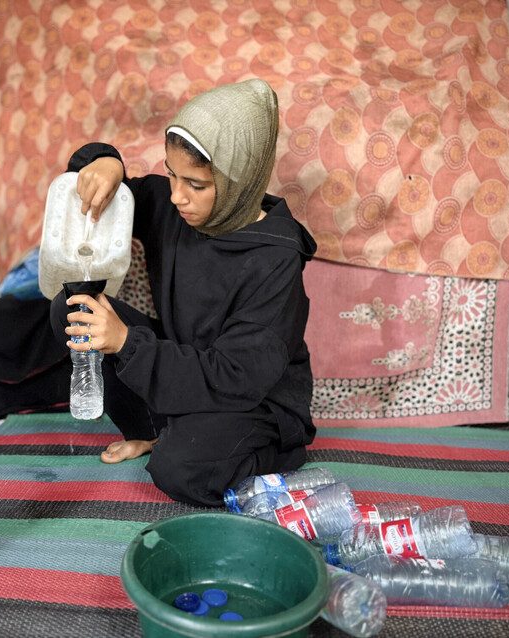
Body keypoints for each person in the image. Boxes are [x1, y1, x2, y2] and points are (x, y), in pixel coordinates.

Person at [49, 79, 317, 507]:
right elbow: (113, 190)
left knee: (180, 471)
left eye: (196, 185)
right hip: (185, 368)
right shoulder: (173, 204)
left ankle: (246, 446)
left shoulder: (275, 260)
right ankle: (152, 429)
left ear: (239, 182)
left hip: (252, 399)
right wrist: (107, 163)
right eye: (171, 174)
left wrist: (125, 342)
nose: (176, 196)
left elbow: (238, 378)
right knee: (73, 307)